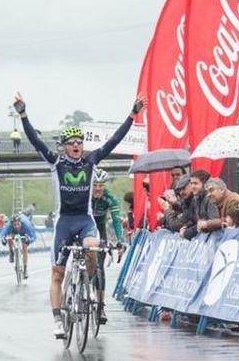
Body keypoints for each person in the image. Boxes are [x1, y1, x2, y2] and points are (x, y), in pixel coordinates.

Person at [13, 92, 145, 339]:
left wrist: (132, 114)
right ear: (64, 146)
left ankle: (91, 286)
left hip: (85, 221)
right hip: (64, 222)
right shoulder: (56, 163)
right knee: (57, 274)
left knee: (92, 247)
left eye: (80, 143)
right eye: (71, 143)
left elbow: (115, 140)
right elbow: (35, 141)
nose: (76, 146)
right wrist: (23, 115)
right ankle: (57, 319)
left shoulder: (91, 160)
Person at [90, 168, 125, 324]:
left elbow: (117, 221)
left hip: (100, 229)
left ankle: (100, 306)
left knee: (99, 267)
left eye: (101, 185)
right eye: (95, 185)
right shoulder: (84, 196)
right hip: (84, 228)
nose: (98, 188)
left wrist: (120, 240)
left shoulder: (110, 198)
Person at [184, 170, 219, 238]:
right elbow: (193, 220)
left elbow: (212, 223)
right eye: (191, 183)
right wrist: (185, 227)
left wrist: (187, 233)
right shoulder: (196, 198)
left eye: (195, 183)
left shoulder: (210, 199)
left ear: (205, 184)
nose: (192, 186)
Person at [0, 213, 36, 280]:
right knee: (9, 236)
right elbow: (3, 233)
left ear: (20, 223)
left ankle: (25, 269)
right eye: (14, 225)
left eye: (18, 224)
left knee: (25, 246)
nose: (16, 226)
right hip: (13, 232)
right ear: (12, 224)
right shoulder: (9, 225)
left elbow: (33, 237)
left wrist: (29, 240)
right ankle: (11, 252)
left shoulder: (26, 225)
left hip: (24, 232)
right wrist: (3, 239)